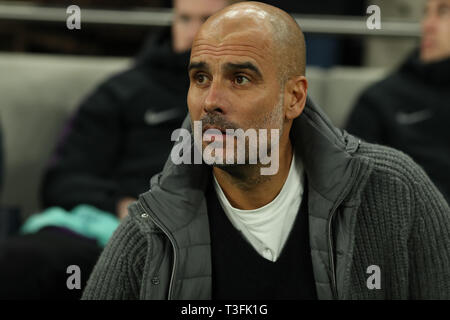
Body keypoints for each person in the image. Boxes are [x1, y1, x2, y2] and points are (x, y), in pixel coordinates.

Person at [83, 2, 450, 300]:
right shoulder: (149, 233)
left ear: (294, 97)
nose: (211, 101)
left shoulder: (395, 193)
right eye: (200, 78)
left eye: (240, 79)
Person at [0, 0, 230, 300]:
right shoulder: (122, 91)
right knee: (23, 260)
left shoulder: (256, 99)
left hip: (206, 234)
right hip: (108, 227)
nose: (194, 32)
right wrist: (121, 205)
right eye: (185, 18)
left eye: (209, 20)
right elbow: (64, 180)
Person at [346, 0, 450, 202]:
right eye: (426, 13)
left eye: (443, 12)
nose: (427, 25)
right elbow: (349, 183)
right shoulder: (380, 99)